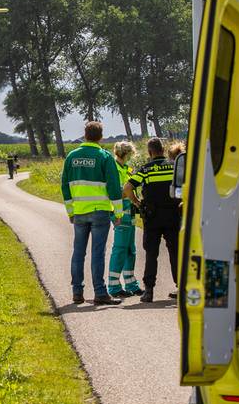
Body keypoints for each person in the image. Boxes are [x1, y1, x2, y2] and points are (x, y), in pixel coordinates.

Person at [62, 121, 124, 305]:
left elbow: (65, 186)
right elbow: (114, 187)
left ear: (85, 134)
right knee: (97, 253)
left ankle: (77, 292)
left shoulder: (71, 157)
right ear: (100, 136)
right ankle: (99, 293)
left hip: (79, 213)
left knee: (78, 252)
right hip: (100, 212)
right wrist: (118, 213)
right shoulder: (104, 157)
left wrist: (70, 211)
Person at [129, 138, 181, 302]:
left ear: (150, 152)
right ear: (163, 150)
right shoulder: (174, 167)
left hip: (152, 218)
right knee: (175, 252)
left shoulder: (146, 169)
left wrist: (137, 202)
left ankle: (149, 291)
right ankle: (181, 287)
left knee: (151, 254)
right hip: (173, 216)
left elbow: (127, 187)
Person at [106, 141, 142, 298]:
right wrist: (129, 193)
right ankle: (113, 286)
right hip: (120, 212)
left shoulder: (126, 169)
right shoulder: (114, 168)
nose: (130, 158)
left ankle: (131, 284)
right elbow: (115, 193)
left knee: (130, 249)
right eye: (130, 155)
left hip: (130, 212)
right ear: (126, 154)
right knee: (120, 248)